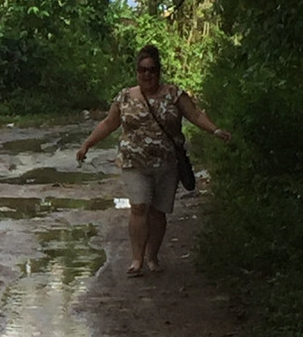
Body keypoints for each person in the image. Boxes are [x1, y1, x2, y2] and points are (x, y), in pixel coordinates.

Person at [76, 44, 231, 277]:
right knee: (139, 207)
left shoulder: (173, 94)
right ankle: (137, 260)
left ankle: (152, 256)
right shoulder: (125, 97)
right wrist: (87, 144)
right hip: (134, 163)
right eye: (143, 70)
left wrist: (215, 130)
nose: (147, 74)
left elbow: (195, 114)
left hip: (167, 164)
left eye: (152, 70)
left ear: (159, 71)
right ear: (137, 72)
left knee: (158, 212)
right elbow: (109, 123)